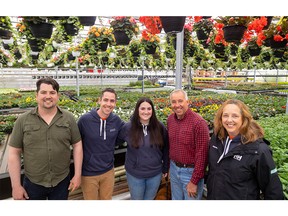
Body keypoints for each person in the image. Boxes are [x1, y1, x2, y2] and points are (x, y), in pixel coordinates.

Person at [8, 77, 83, 200]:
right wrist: (16, 186)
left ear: (57, 96)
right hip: (33, 184)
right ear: (36, 95)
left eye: (52, 93)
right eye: (43, 92)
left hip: (62, 181)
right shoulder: (23, 120)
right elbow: (13, 153)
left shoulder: (68, 118)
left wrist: (77, 174)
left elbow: (77, 145)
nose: (48, 96)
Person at [206, 99, 284, 200]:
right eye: (225, 115)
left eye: (235, 116)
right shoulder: (216, 139)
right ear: (220, 118)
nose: (229, 120)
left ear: (244, 118)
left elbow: (273, 190)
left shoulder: (259, 150)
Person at [77, 88, 125, 200]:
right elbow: (76, 144)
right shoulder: (85, 120)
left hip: (108, 171)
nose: (108, 104)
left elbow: (124, 135)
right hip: (89, 173)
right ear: (99, 100)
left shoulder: (116, 121)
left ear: (115, 103)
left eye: (112, 101)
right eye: (106, 100)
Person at [118, 97, 169, 200]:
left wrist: (165, 168)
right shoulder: (128, 127)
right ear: (137, 110)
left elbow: (166, 148)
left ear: (152, 111)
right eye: (142, 109)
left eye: (149, 109)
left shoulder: (160, 127)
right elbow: (116, 141)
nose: (146, 112)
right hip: (135, 175)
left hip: (155, 174)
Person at [167, 89, 210, 200]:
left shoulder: (199, 123)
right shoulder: (170, 119)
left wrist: (194, 181)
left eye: (180, 101)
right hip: (174, 168)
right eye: (173, 102)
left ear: (187, 102)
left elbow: (202, 155)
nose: (177, 105)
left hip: (190, 173)